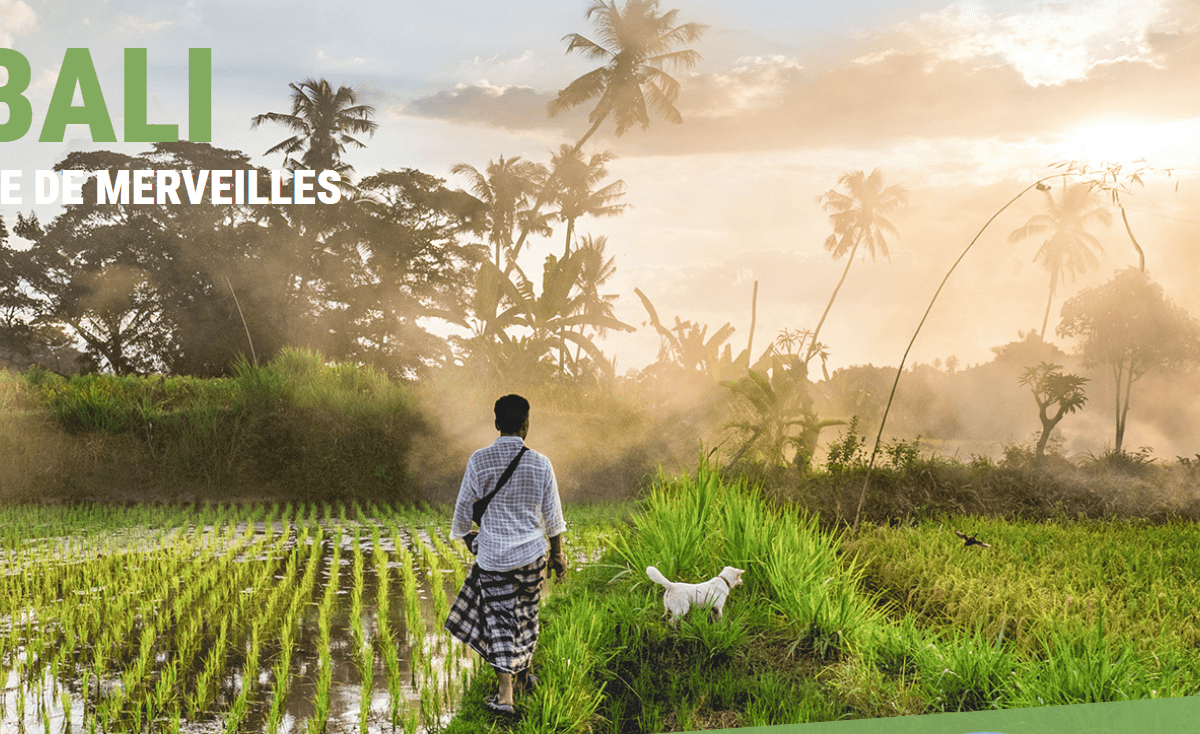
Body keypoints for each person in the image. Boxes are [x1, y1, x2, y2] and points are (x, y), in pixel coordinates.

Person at [444, 394, 568, 715]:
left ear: (497, 423)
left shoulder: (478, 460)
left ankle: (506, 694)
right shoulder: (541, 463)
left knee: (499, 621)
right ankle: (522, 678)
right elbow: (553, 519)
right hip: (531, 556)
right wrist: (558, 556)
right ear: (526, 424)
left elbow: (461, 515)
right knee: (526, 614)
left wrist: (470, 539)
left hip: (494, 559)